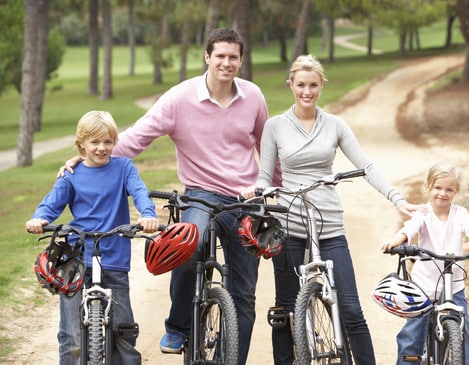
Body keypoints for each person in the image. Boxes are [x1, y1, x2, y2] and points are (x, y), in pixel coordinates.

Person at [59, 28, 280, 364]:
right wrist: (93, 158)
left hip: (244, 198)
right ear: (207, 57)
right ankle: (179, 326)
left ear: (241, 60)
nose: (226, 62)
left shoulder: (253, 96)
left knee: (244, 294)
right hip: (201, 194)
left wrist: (274, 187)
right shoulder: (179, 99)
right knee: (186, 243)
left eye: (233, 57)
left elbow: (266, 147)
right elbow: (138, 136)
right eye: (220, 55)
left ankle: (232, 358)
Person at [240, 54, 421, 365]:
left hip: (329, 227)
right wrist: (257, 190)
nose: (306, 91)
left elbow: (366, 166)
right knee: (285, 307)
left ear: (321, 85)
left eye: (313, 85)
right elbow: (265, 175)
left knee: (350, 308)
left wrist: (398, 200)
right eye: (300, 85)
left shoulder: (336, 125)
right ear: (291, 85)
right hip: (291, 226)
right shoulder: (275, 127)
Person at [26, 110, 160, 365]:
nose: (101, 148)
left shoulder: (123, 167)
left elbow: (140, 192)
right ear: (81, 145)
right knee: (72, 337)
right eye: (94, 142)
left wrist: (147, 214)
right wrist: (39, 218)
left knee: (123, 331)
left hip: (114, 258)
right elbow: (51, 204)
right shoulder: (72, 175)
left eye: (107, 142)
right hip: (76, 258)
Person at [381, 163, 469, 365]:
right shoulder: (423, 213)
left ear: (456, 191)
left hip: (454, 286)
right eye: (437, 188)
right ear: (428, 187)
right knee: (412, 337)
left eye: (449, 189)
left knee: (464, 333)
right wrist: (396, 242)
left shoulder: (460, 214)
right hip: (423, 287)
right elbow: (410, 229)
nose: (443, 193)